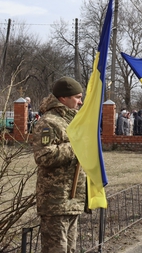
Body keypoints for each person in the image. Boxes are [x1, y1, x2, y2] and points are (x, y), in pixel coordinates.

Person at [32, 76, 85, 252]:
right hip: (55, 199)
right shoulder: (48, 122)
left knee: (70, 249)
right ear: (63, 98)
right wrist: (76, 146)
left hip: (72, 197)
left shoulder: (73, 120)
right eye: (77, 97)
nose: (80, 102)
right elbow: (44, 156)